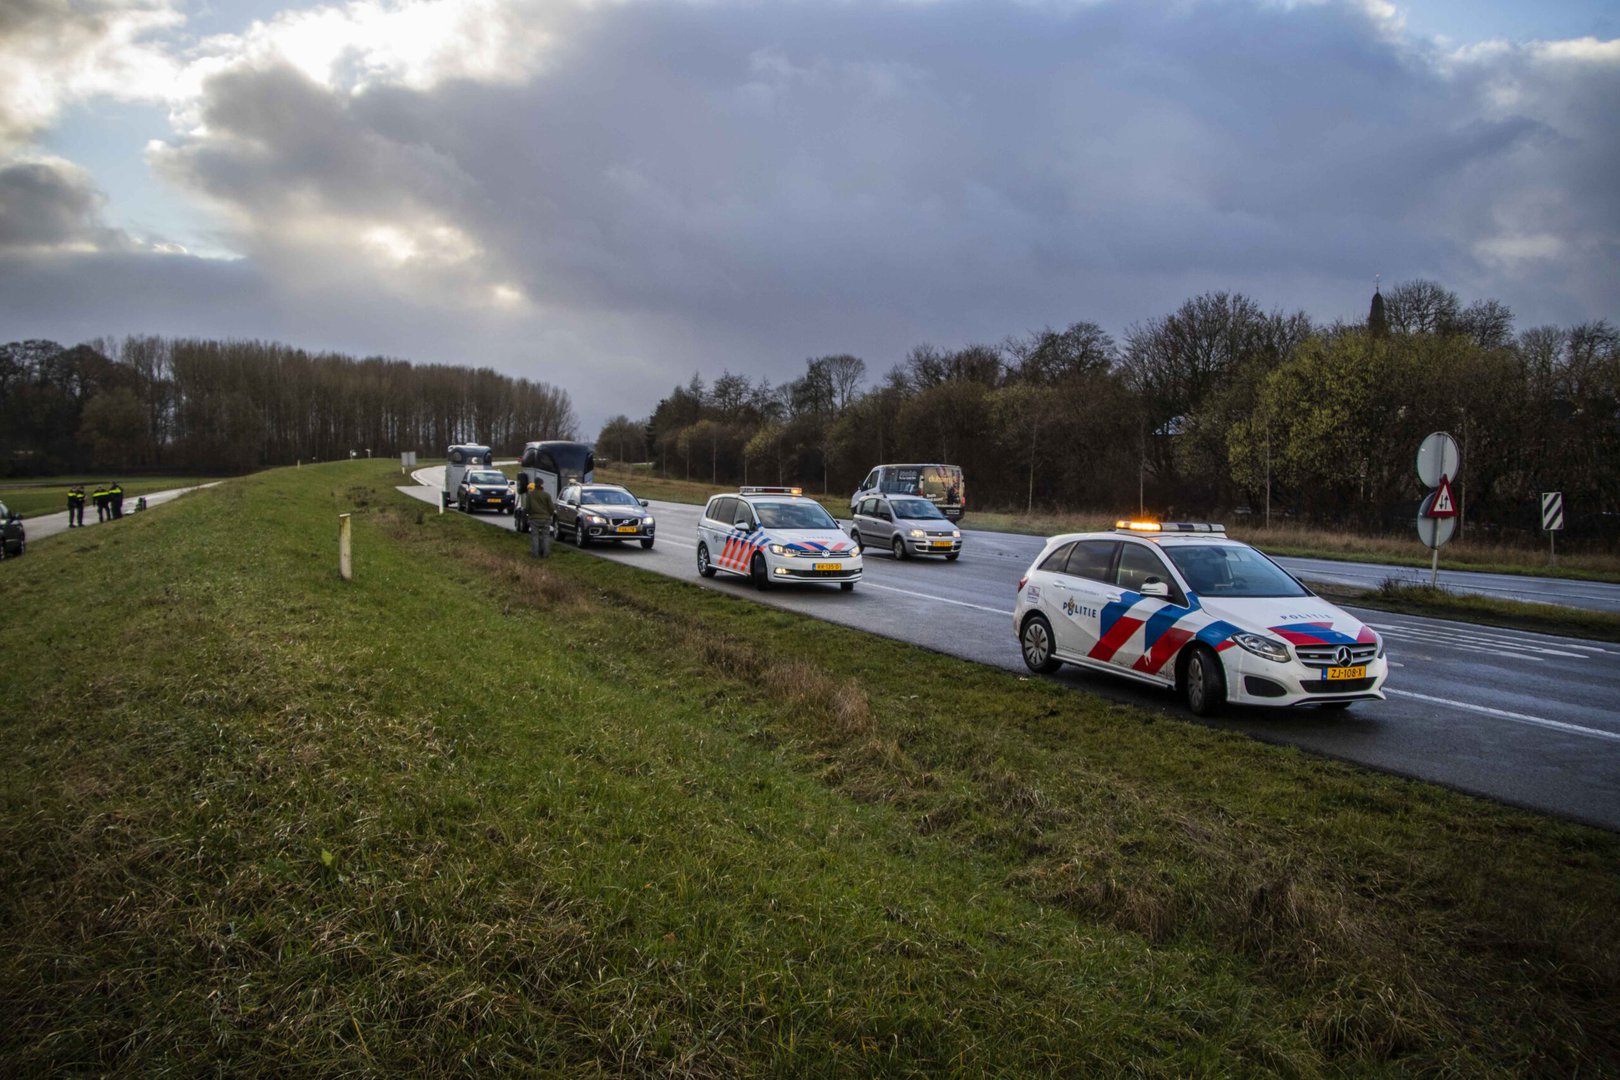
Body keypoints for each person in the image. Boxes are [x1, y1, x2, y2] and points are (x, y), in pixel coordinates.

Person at [526, 480, 555, 558]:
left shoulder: (530, 495)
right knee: (546, 536)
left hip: (534, 518)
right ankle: (546, 553)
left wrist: (530, 514)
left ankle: (535, 554)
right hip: (546, 518)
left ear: (535, 485)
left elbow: (527, 507)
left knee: (535, 536)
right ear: (542, 485)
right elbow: (552, 508)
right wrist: (549, 514)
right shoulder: (547, 495)